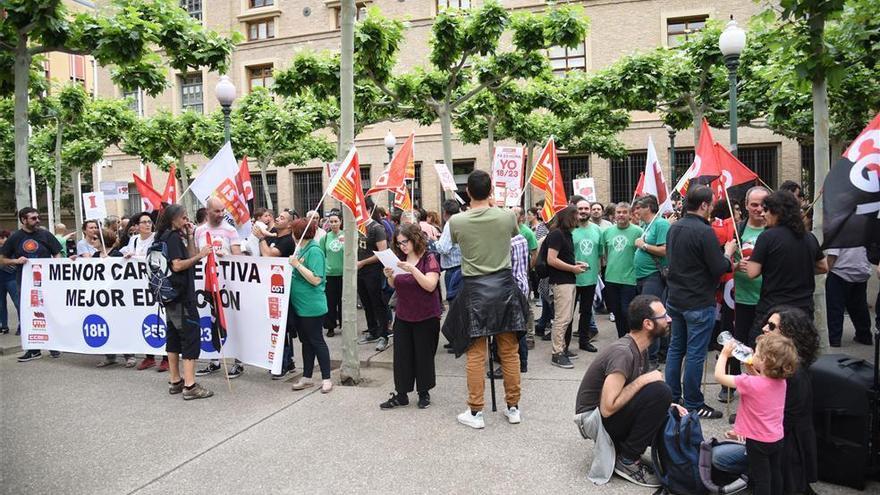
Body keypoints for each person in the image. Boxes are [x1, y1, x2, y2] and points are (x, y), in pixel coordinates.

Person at [443, 170, 528, 429]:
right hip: (503, 287)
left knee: (476, 354)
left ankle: (476, 411)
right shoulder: (507, 216)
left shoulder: (457, 221)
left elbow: (449, 245)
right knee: (509, 353)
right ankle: (513, 408)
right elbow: (513, 230)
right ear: (491, 191)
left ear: (467, 191)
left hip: (476, 290)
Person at [574, 295, 677, 488]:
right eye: (663, 316)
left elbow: (641, 396)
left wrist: (670, 406)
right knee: (660, 392)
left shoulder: (640, 349)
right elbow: (607, 408)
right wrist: (644, 380)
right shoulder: (623, 352)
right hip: (593, 419)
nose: (669, 319)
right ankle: (627, 460)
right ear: (647, 324)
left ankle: (625, 450)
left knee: (664, 402)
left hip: (604, 416)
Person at [665, 185, 737, 419]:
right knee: (695, 353)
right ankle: (694, 403)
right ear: (704, 205)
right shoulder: (704, 231)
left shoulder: (674, 227)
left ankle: (673, 397)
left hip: (676, 299)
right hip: (697, 301)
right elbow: (718, 267)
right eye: (712, 203)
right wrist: (727, 253)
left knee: (676, 349)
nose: (713, 207)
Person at [714, 331, 799, 495]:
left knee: (761, 479)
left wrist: (724, 355)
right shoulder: (781, 382)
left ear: (765, 361)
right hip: (776, 438)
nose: (753, 354)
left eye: (757, 354)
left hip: (757, 443)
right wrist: (753, 370)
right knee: (775, 473)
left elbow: (719, 376)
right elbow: (763, 386)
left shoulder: (749, 383)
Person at [746, 190, 827, 344]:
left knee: (766, 356)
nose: (763, 214)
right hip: (802, 311)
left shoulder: (767, 237)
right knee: (798, 356)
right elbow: (823, 267)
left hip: (773, 311)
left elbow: (752, 272)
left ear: (778, 212)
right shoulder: (809, 237)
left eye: (766, 210)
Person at [154, 204, 214, 400]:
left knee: (173, 337)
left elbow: (185, 256)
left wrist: (189, 237)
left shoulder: (165, 237)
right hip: (181, 296)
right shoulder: (171, 238)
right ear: (173, 219)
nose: (186, 220)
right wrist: (201, 255)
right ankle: (190, 385)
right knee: (190, 337)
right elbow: (178, 264)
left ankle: (175, 380)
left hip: (170, 297)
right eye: (183, 217)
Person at [379, 223, 442, 409]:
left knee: (423, 355)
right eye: (399, 244)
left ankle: (424, 392)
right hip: (404, 314)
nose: (402, 246)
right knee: (402, 356)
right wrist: (389, 275)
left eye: (405, 242)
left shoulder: (428, 258)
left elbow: (430, 285)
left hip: (426, 315)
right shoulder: (399, 258)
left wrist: (413, 270)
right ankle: (401, 394)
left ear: (414, 239)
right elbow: (394, 285)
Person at [723, 186, 769, 401]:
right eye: (754, 205)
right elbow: (726, 262)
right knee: (738, 342)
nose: (759, 209)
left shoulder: (772, 230)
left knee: (764, 344)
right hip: (742, 297)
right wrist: (735, 264)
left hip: (767, 298)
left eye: (763, 205)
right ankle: (730, 384)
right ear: (746, 205)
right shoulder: (739, 229)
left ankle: (764, 384)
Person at [0, 208, 63, 360]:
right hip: (25, 284)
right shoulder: (15, 238)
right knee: (29, 315)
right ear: (23, 220)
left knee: (49, 312)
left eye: (38, 217)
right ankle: (33, 349)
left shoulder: (45, 234)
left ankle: (54, 345)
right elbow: (2, 259)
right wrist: (16, 261)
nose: (37, 221)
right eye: (33, 218)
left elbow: (57, 252)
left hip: (47, 282)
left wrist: (56, 264)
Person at [194, 197, 243, 378]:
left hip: (228, 286)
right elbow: (195, 256)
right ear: (207, 212)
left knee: (230, 320)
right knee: (210, 319)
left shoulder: (230, 230)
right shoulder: (199, 231)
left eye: (223, 210)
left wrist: (227, 255)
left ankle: (238, 362)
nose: (221, 214)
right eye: (217, 211)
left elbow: (239, 259)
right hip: (207, 285)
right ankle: (214, 360)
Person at [288, 219, 333, 394]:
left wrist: (297, 265)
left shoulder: (314, 251)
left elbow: (316, 279)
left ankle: (326, 378)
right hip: (299, 305)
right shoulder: (301, 249)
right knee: (305, 341)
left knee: (316, 341)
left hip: (311, 306)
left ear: (297, 233)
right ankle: (307, 376)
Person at [254, 209, 297, 378]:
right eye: (278, 216)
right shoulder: (273, 236)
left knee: (282, 327)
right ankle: (289, 361)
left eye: (282, 218)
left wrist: (261, 238)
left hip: (282, 289)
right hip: (271, 288)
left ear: (289, 225)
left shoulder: (287, 241)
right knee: (277, 326)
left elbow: (268, 254)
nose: (277, 219)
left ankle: (283, 363)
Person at [546, 205, 587, 369]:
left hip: (568, 280)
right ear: (569, 217)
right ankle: (557, 354)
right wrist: (572, 268)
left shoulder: (566, 234)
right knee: (562, 319)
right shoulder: (557, 234)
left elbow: (561, 257)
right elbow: (551, 259)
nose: (579, 217)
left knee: (567, 318)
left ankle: (562, 349)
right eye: (576, 214)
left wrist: (575, 264)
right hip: (561, 281)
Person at [633, 195, 670, 369]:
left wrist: (643, 246)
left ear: (648, 207)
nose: (636, 211)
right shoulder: (647, 225)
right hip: (643, 277)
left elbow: (664, 250)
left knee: (651, 315)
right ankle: (655, 353)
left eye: (639, 208)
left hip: (653, 276)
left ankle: (653, 358)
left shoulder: (661, 224)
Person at [601, 202, 643, 338]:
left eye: (624, 212)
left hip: (629, 279)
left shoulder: (638, 231)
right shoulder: (607, 232)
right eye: (619, 212)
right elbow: (606, 253)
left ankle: (632, 338)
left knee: (627, 311)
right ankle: (622, 338)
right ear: (614, 215)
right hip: (611, 278)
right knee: (617, 312)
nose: (621, 215)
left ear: (630, 215)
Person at [570, 200, 602, 353]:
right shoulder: (570, 229)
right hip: (571, 279)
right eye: (580, 208)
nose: (583, 211)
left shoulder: (597, 229)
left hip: (590, 278)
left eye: (585, 208)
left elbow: (601, 255)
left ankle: (584, 341)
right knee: (567, 314)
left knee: (586, 312)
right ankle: (564, 344)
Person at [357, 206, 391, 351]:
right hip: (359, 272)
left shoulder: (377, 228)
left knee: (378, 303)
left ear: (369, 209)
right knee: (366, 303)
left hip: (373, 272)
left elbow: (382, 252)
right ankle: (373, 330)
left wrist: (363, 262)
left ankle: (384, 334)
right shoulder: (357, 227)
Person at [824, 247, 873, 347]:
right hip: (861, 271)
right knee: (860, 306)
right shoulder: (865, 231)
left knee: (835, 307)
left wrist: (826, 271)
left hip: (841, 271)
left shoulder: (839, 231)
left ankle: (835, 339)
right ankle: (865, 336)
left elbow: (833, 255)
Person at [319, 212, 343, 337]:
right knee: (330, 302)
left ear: (341, 222)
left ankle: (344, 324)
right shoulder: (325, 238)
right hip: (329, 275)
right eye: (331, 222)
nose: (333, 224)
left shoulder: (346, 235)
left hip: (344, 274)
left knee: (343, 301)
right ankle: (330, 327)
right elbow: (322, 256)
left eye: (336, 221)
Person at [0, 230, 17, 334]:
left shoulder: (12, 248)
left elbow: (15, 264)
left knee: (17, 302)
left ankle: (22, 324)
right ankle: (3, 325)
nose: (2, 240)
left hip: (12, 278)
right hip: (1, 279)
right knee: (1, 304)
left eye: (3, 237)